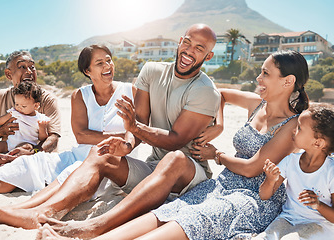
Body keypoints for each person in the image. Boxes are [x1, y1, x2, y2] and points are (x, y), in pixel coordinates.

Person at [38, 49, 310, 240]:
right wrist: (219, 125)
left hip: (254, 196)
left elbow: (252, 168)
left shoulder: (291, 125)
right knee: (172, 209)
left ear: (288, 81)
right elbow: (220, 96)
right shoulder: (256, 103)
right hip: (223, 184)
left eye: (265, 74)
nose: (258, 79)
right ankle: (93, 229)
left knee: (195, 218)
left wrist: (217, 154)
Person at [0, 23, 221, 232]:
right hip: (152, 168)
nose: (189, 51)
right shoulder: (151, 71)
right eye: (187, 42)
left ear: (208, 56)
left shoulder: (204, 90)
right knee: (95, 154)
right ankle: (33, 213)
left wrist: (218, 124)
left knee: (174, 158)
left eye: (199, 48)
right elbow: (139, 125)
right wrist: (126, 143)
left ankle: (94, 227)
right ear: (180, 41)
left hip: (189, 172)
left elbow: (174, 139)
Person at [0, 44, 135, 218]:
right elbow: (81, 135)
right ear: (87, 71)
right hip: (69, 154)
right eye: (100, 63)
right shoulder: (80, 95)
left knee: (65, 170)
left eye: (109, 61)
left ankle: (12, 211)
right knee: (30, 163)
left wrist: (33, 150)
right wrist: (2, 130)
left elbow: (135, 133)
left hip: (103, 161)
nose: (107, 66)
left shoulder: (130, 91)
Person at [254, 103, 334, 240]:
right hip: (287, 220)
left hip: (319, 226)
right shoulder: (290, 161)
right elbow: (264, 195)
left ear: (318, 143)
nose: (293, 131)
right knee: (263, 238)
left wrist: (318, 205)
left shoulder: (331, 171)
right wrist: (270, 180)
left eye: (299, 128)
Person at [0, 51, 61, 167]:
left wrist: (31, 152)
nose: (29, 71)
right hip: (6, 148)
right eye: (22, 67)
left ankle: (0, 166)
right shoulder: (0, 97)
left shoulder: (47, 99)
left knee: (10, 161)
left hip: (35, 153)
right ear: (8, 74)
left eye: (32, 67)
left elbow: (53, 139)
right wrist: (1, 131)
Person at [0, 81, 50, 173]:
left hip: (26, 146)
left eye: (23, 106)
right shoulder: (14, 112)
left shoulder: (40, 119)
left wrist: (42, 128)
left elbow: (42, 139)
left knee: (24, 148)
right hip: (9, 143)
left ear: (36, 105)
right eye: (16, 104)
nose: (19, 108)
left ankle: (3, 160)